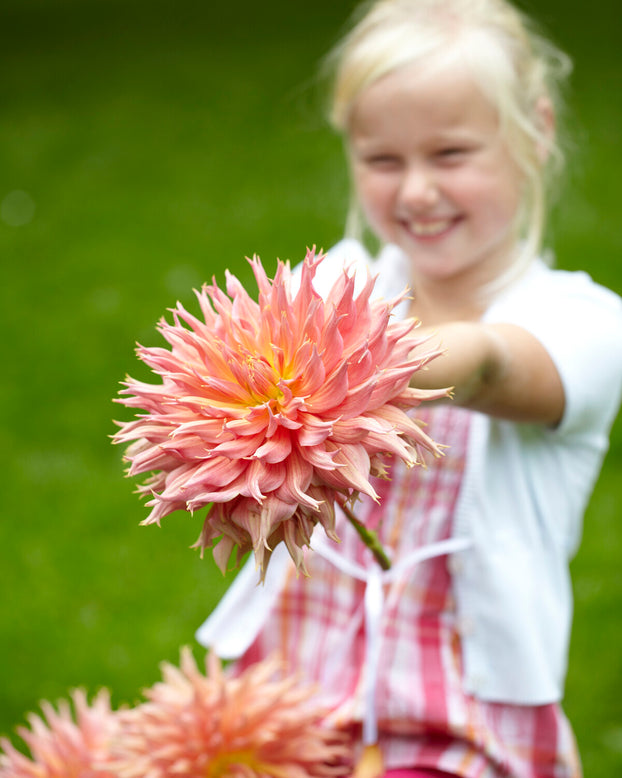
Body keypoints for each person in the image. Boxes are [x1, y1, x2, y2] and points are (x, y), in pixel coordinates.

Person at [196, 0, 622, 775]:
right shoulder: (328, 283)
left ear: (538, 130)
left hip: (459, 719)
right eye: (383, 160)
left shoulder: (587, 323)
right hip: (287, 686)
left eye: (451, 153)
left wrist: (354, 364)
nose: (417, 191)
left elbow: (492, 361)